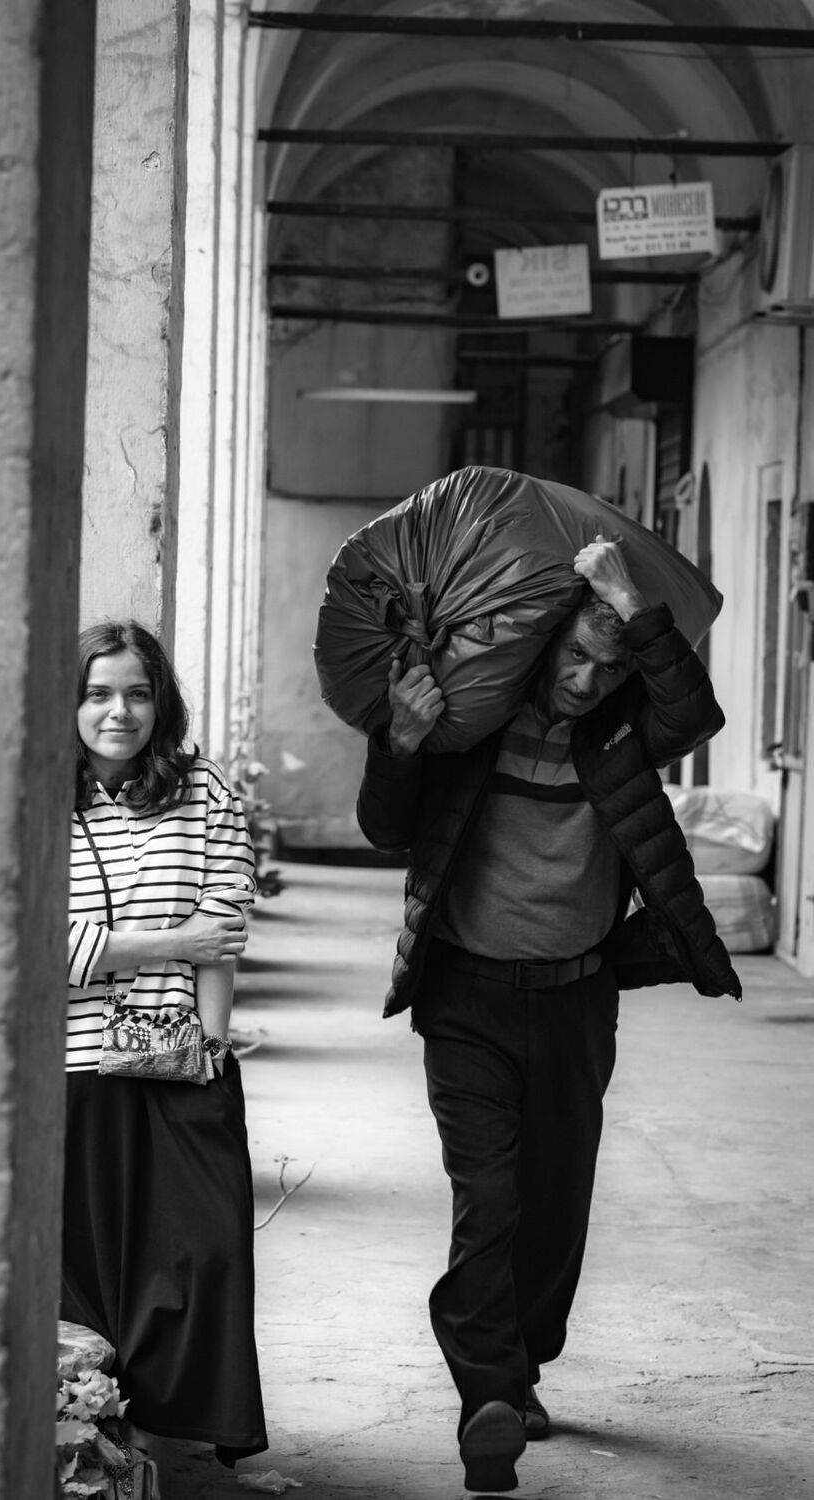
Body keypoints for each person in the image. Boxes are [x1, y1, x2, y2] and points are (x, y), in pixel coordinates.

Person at [356, 537, 740, 1494]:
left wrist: (630, 606)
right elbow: (385, 826)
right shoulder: (474, 722)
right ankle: (485, 1397)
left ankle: (519, 1363)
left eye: (606, 666)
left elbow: (694, 713)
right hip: (467, 999)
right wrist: (399, 740)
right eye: (573, 655)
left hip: (575, 1000)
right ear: (542, 642)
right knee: (486, 1199)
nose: (582, 680)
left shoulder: (619, 735)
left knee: (554, 1203)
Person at [62, 620, 268, 1468]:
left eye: (137, 693)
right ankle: (110, 1437)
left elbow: (224, 925)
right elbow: (37, 942)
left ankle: (170, 1425)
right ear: (69, 701)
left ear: (161, 703)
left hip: (181, 1058)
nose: (119, 712)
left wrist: (212, 1053)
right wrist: (169, 943)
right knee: (86, 1266)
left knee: (203, 1250)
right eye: (98, 693)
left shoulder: (202, 787)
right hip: (70, 1066)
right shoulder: (36, 794)